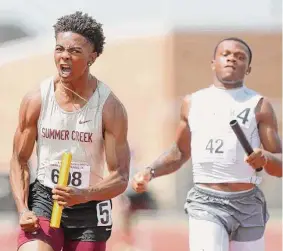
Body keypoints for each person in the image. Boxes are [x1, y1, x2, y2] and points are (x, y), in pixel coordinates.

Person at [132, 37, 282, 251]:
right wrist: (150, 171)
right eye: (226, 54)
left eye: (240, 57)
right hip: (206, 202)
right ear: (213, 62)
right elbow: (180, 151)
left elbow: (280, 166)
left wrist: (265, 158)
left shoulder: (260, 106)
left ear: (248, 69)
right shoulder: (192, 103)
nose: (232, 59)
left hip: (248, 203)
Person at [9, 11, 130, 251]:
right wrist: (23, 209)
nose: (64, 57)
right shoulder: (36, 99)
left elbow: (120, 177)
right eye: (59, 49)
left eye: (75, 51)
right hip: (44, 197)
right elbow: (19, 160)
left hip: (89, 204)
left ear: (92, 57)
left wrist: (83, 195)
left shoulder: (110, 108)